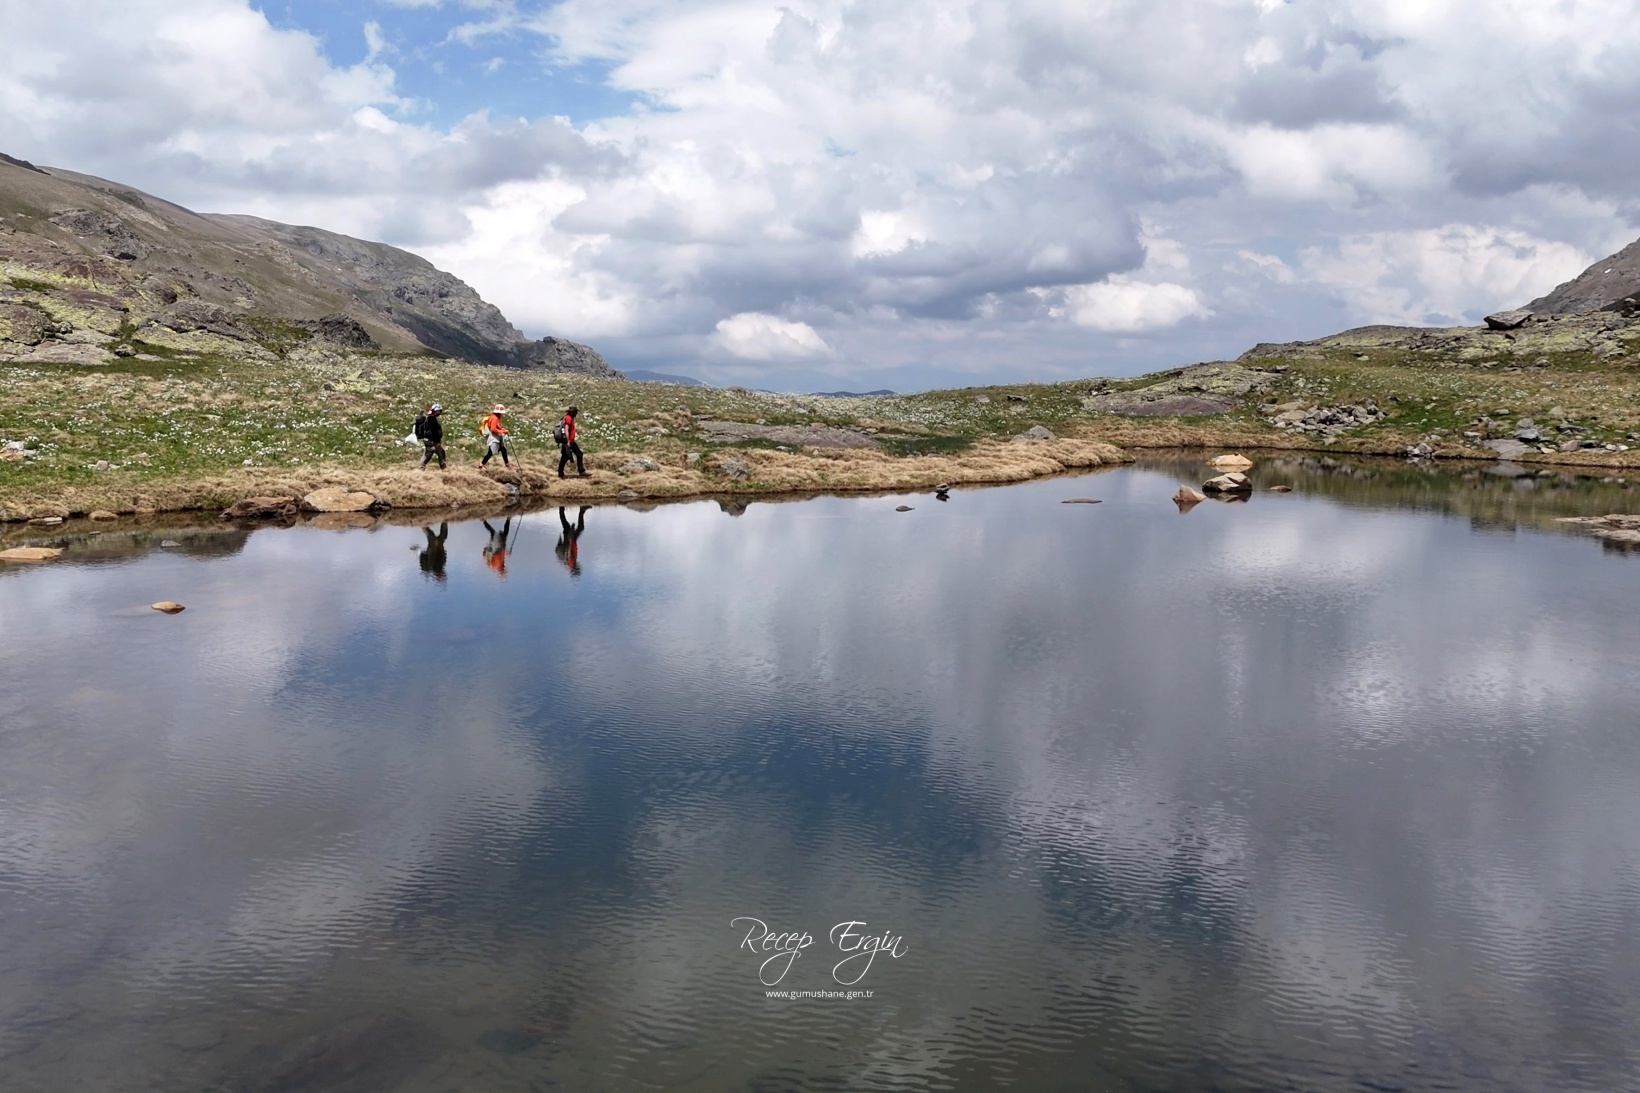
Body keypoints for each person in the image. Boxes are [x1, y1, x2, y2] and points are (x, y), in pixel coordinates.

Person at [555, 505, 588, 577]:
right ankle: (581, 510)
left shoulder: (571, 563)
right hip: (572, 540)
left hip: (570, 540)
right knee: (571, 526)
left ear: (575, 569)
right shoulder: (571, 564)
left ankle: (561, 506)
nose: (579, 566)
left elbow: (569, 552)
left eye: (578, 568)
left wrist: (570, 537)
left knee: (567, 525)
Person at [415, 403, 446, 470]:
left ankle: (444, 468)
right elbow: (434, 432)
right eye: (439, 411)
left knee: (441, 453)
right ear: (436, 411)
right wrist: (437, 442)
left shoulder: (430, 418)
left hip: (431, 441)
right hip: (432, 442)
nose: (440, 413)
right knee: (427, 456)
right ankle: (420, 470)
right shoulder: (431, 419)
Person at [557, 406, 585, 478]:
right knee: (578, 454)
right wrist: (568, 441)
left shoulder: (567, 418)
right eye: (575, 412)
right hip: (569, 441)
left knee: (565, 457)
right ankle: (581, 471)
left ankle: (560, 473)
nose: (576, 413)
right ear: (572, 412)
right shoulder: (568, 418)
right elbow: (566, 429)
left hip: (569, 441)